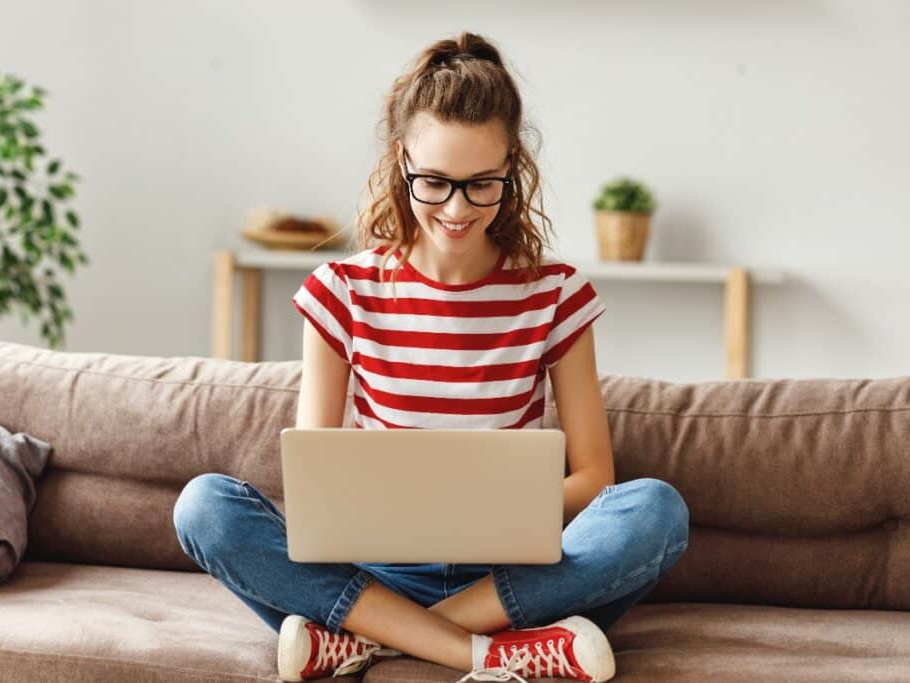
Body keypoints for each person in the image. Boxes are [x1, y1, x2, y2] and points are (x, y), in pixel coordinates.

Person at [173, 31, 690, 683]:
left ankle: (369, 639)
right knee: (203, 507)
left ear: (512, 169)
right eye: (435, 183)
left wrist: (497, 514)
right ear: (400, 161)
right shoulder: (343, 291)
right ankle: (486, 651)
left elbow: (594, 476)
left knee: (657, 511)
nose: (456, 208)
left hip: (511, 576)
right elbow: (315, 485)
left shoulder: (555, 294)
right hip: (373, 572)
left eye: (482, 186)